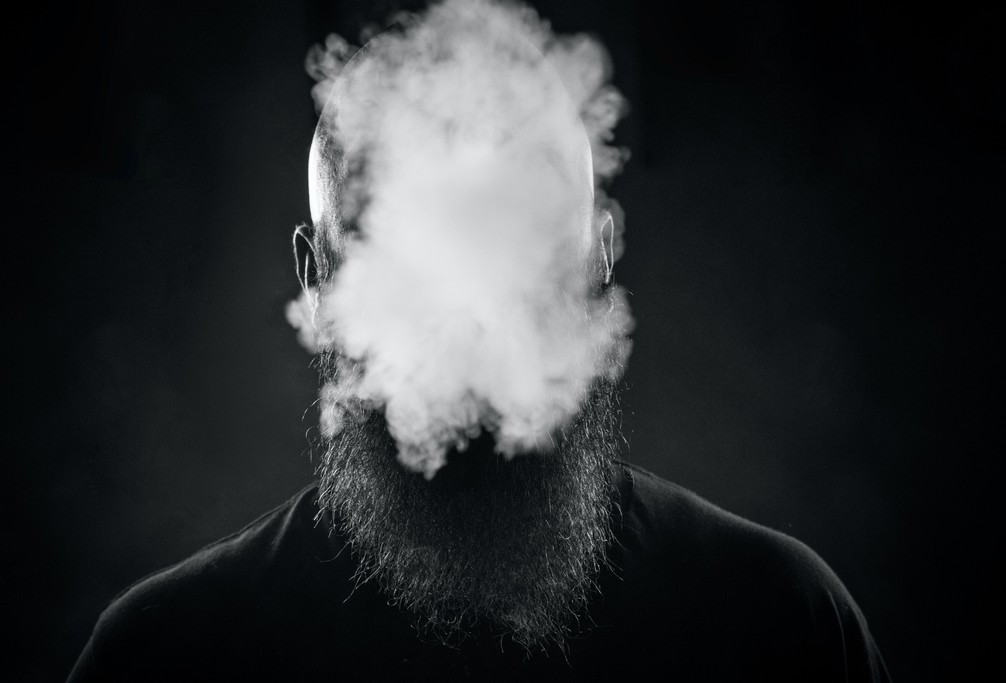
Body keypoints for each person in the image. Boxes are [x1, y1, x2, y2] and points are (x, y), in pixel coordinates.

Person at [69, 2, 890, 680]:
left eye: (520, 227)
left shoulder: (782, 625)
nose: (469, 307)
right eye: (402, 244)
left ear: (601, 252)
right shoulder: (165, 657)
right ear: (316, 274)